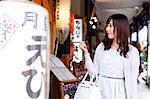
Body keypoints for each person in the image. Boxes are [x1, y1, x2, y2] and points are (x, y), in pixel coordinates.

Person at [79, 14, 140, 99]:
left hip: (120, 93)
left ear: (121, 28)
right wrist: (86, 53)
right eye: (107, 25)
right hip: (100, 91)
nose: (107, 29)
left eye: (111, 26)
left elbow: (132, 82)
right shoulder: (101, 47)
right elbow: (93, 73)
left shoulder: (132, 52)